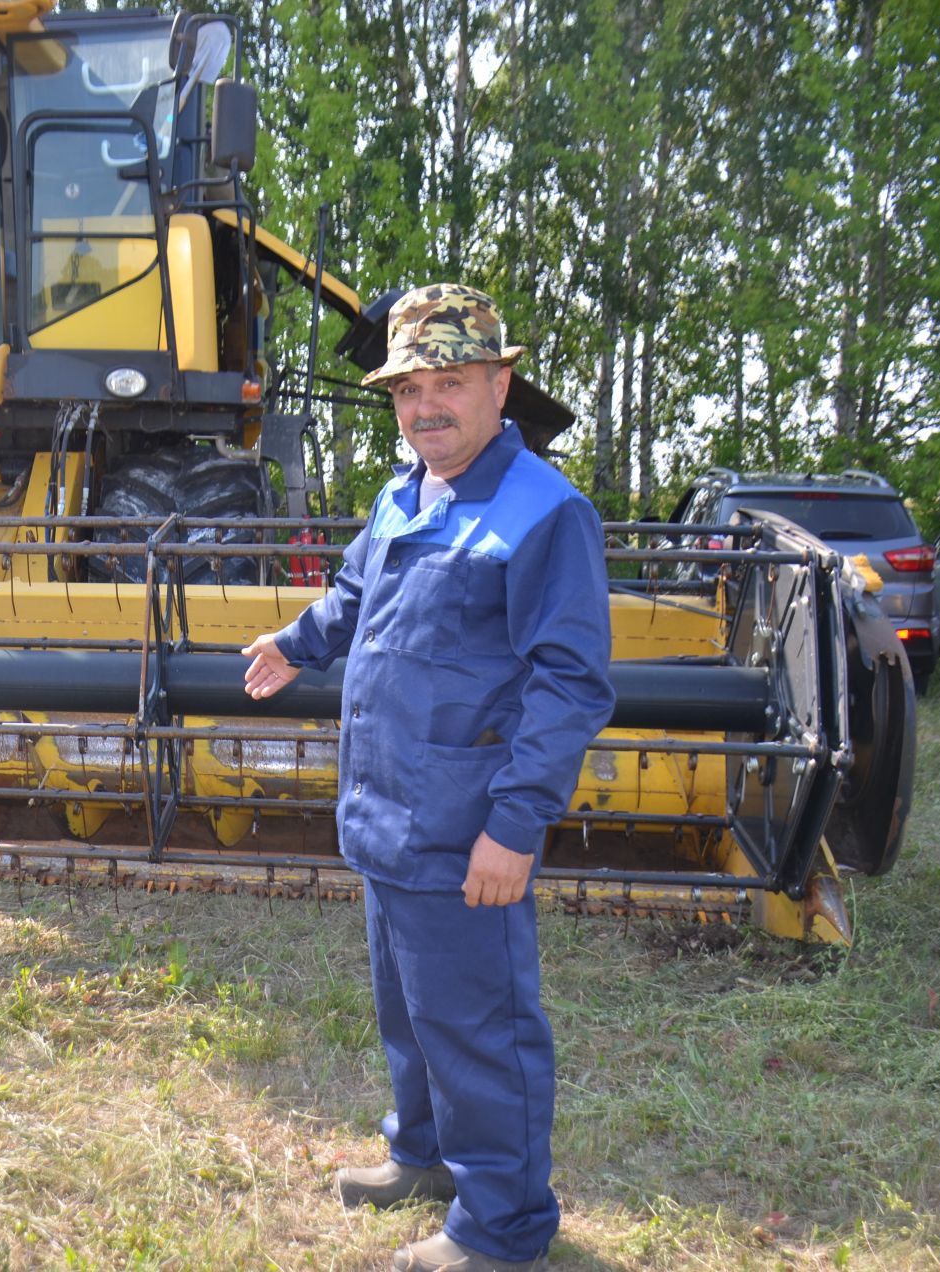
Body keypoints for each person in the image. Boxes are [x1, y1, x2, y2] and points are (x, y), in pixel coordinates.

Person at [242, 284, 614, 1272]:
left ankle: (504, 1226)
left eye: (450, 383)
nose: (425, 407)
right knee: (409, 1010)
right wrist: (296, 642)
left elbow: (570, 685)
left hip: (466, 829)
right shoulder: (404, 490)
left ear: (500, 385)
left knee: (480, 1027)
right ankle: (424, 1158)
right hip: (386, 813)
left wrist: (516, 826)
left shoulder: (544, 512)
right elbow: (360, 592)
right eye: (409, 389)